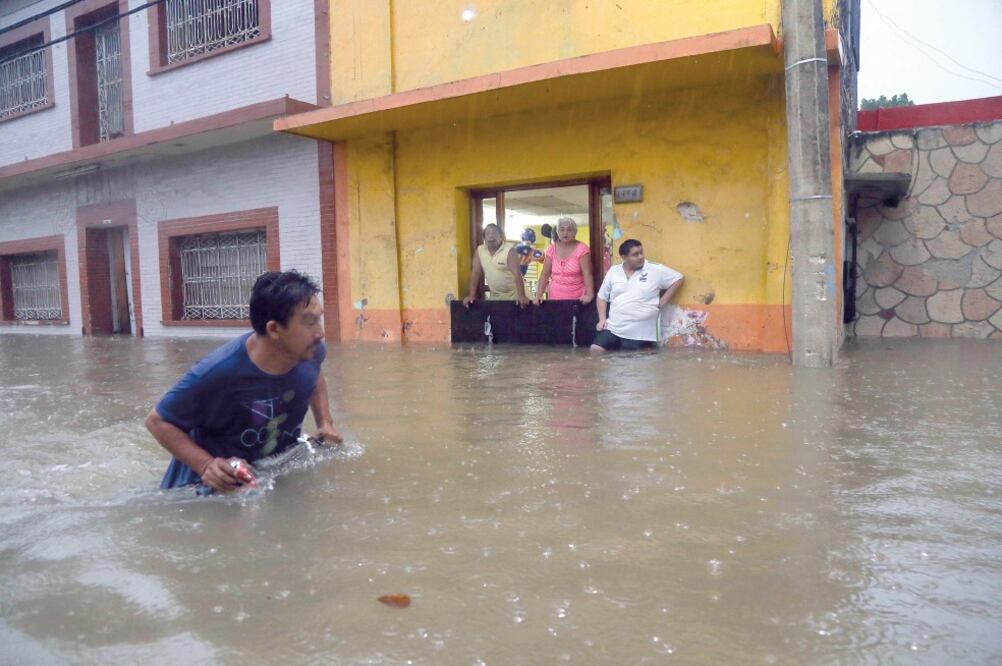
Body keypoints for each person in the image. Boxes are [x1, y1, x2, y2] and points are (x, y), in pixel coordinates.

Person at [146, 270, 343, 492]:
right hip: (204, 493)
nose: (320, 333)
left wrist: (325, 422)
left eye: (319, 319)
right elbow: (157, 421)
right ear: (274, 329)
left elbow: (314, 372)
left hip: (269, 475)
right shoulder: (219, 371)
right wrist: (206, 465)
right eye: (309, 322)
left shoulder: (310, 350)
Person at [591, 239, 684, 352]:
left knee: (630, 362)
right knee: (595, 350)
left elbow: (678, 278)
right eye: (635, 254)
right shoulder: (613, 271)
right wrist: (601, 320)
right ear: (624, 257)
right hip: (614, 327)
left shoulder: (655, 269)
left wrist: (663, 301)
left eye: (641, 252)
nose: (640, 256)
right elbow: (602, 297)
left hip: (640, 332)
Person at [462, 223, 529, 307]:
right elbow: (476, 272)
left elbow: (517, 274)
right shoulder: (480, 250)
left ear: (501, 236)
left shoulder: (509, 250)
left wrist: (521, 296)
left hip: (515, 298)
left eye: (494, 233)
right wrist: (471, 295)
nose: (491, 236)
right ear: (484, 238)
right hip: (496, 298)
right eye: (488, 234)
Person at [533, 217, 595, 305]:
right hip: (555, 298)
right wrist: (539, 295)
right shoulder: (551, 249)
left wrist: (589, 295)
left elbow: (587, 273)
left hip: (578, 299)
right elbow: (545, 274)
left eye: (569, 230)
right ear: (558, 232)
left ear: (574, 232)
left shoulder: (582, 249)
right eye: (562, 230)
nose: (565, 233)